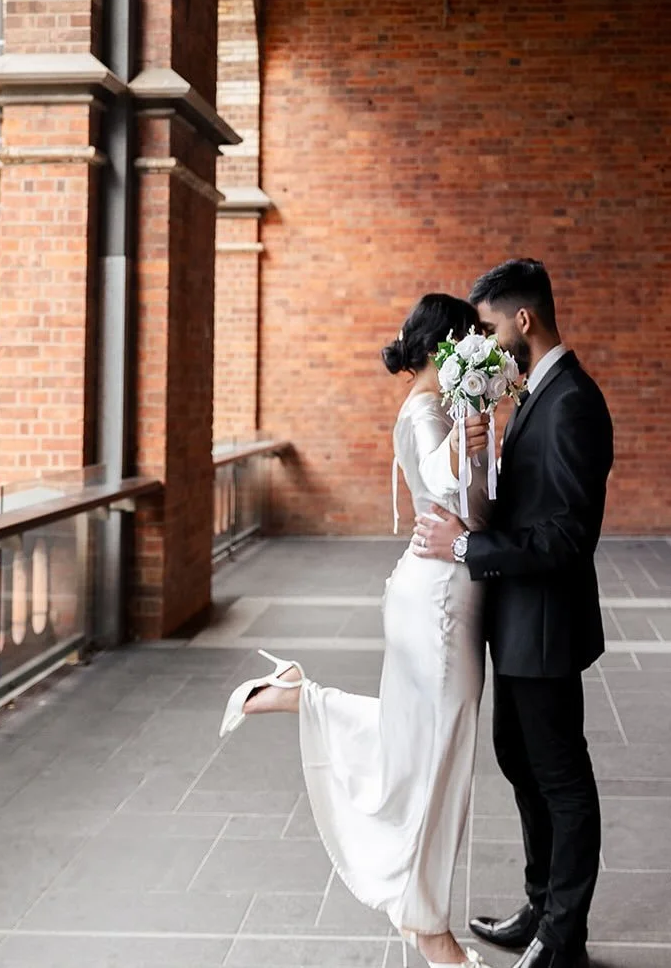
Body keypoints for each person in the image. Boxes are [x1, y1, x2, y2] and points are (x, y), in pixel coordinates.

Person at [219, 293, 495, 968]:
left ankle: (300, 696)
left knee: (420, 742)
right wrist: (471, 440)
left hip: (435, 589)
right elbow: (442, 481)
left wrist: (479, 428)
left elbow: (470, 504)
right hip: (435, 600)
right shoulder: (431, 411)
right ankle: (431, 931)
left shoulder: (444, 409)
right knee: (436, 756)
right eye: (469, 344)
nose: (476, 356)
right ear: (444, 348)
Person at [414, 259, 613, 968]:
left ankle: (564, 938)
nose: (488, 343)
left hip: (547, 626)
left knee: (559, 777)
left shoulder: (572, 402)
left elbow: (565, 536)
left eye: (493, 327)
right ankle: (540, 905)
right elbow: (529, 504)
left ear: (522, 320)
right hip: (519, 621)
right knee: (520, 763)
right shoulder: (536, 394)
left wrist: (469, 545)